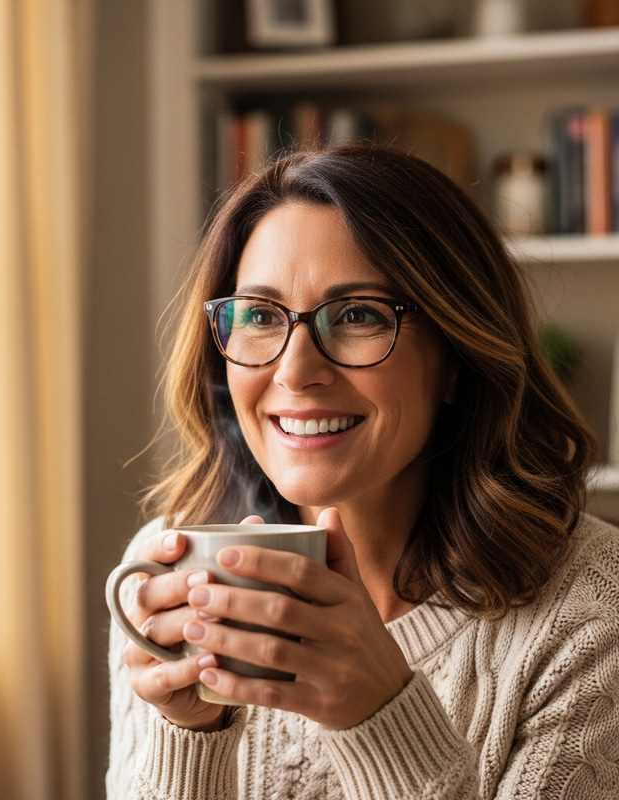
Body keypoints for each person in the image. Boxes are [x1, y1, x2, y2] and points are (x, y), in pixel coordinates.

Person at [107, 143, 619, 799]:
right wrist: (189, 737)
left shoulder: (592, 612)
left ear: (456, 358)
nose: (295, 371)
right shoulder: (163, 572)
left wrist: (381, 718)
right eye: (259, 315)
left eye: (357, 315)